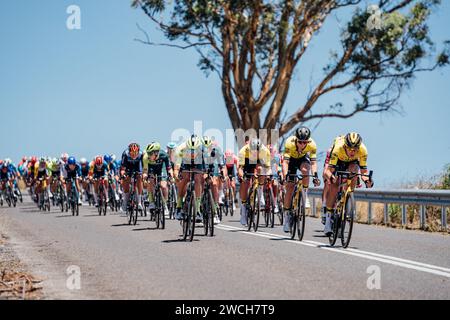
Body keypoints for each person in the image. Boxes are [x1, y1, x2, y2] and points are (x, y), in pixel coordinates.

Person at [322, 132, 374, 236]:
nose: (352, 151)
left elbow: (363, 172)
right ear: (345, 145)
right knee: (334, 185)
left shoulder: (363, 150)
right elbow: (328, 171)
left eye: (355, 149)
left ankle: (348, 196)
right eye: (350, 148)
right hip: (338, 162)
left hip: (352, 163)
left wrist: (367, 180)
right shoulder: (338, 148)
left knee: (354, 171)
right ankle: (328, 220)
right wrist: (331, 177)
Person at [281, 126, 321, 233]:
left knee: (305, 170)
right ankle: (287, 216)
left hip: (302, 159)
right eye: (300, 142)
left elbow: (313, 163)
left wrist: (315, 175)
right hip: (291, 161)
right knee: (289, 187)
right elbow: (285, 162)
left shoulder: (312, 144)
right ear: (296, 139)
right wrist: (285, 176)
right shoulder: (289, 142)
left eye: (305, 142)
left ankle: (304, 194)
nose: (303, 144)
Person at [237, 138, 272, 226]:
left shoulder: (265, 151)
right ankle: (244, 209)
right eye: (253, 151)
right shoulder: (243, 151)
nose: (255, 153)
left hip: (259, 161)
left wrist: (268, 175)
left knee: (261, 170)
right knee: (245, 182)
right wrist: (242, 176)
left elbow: (268, 168)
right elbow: (240, 168)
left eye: (257, 151)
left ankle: (259, 192)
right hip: (247, 161)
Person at [173, 134, 205, 222]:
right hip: (185, 162)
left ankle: (198, 210)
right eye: (191, 151)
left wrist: (206, 173)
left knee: (198, 179)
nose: (192, 153)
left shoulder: (203, 149)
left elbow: (206, 165)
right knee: (184, 178)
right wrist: (176, 174)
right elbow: (177, 167)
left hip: (198, 163)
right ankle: (178, 207)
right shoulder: (181, 149)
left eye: (194, 151)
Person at [143, 142, 173, 212]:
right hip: (151, 169)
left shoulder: (164, 155)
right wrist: (145, 176)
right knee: (150, 181)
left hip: (161, 168)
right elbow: (145, 171)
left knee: (163, 186)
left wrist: (171, 175)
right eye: (148, 153)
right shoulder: (145, 157)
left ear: (156, 152)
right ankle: (151, 202)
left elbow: (169, 168)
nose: (149, 155)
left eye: (150, 153)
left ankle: (165, 204)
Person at [120, 143, 144, 212]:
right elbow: (122, 169)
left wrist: (142, 174)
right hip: (128, 167)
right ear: (129, 151)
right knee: (126, 179)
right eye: (132, 153)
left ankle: (139, 202)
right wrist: (123, 175)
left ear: (138, 152)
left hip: (137, 167)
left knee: (139, 177)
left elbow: (143, 167)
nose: (133, 155)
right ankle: (125, 200)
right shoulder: (125, 154)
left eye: (135, 153)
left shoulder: (141, 154)